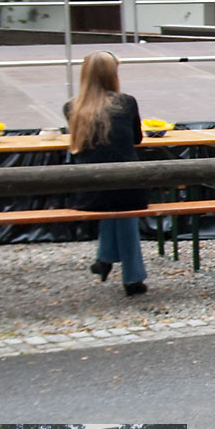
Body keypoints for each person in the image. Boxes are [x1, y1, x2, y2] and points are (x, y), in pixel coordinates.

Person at [64, 50, 148, 296]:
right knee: (122, 202)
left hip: (90, 192)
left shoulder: (72, 108)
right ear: (113, 74)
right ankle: (133, 279)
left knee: (110, 196)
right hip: (128, 190)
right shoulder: (127, 103)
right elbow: (136, 139)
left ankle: (105, 258)